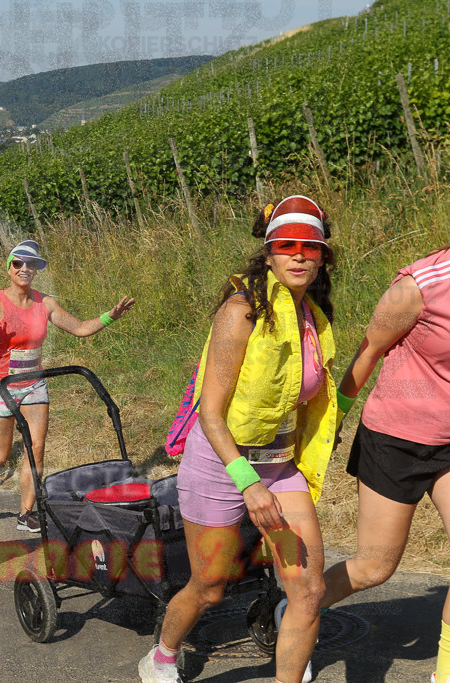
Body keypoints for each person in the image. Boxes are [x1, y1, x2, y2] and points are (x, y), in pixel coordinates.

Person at [138, 196, 338, 683]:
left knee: (308, 591)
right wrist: (248, 483)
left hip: (281, 468)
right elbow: (210, 413)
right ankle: (163, 654)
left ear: (321, 257)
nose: (298, 255)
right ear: (267, 253)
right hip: (222, 467)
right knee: (209, 586)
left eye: (309, 247)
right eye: (286, 246)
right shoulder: (240, 311)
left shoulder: (313, 316)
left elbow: (317, 398)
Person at [318, 245, 450, 683]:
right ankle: (297, 608)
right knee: (374, 567)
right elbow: (368, 353)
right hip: (397, 438)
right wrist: (331, 421)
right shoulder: (417, 287)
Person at [0, 240, 135, 532]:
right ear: (9, 268)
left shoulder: (45, 303)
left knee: (36, 449)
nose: (24, 269)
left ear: (37, 269)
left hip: (33, 382)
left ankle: (26, 513)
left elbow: (80, 329)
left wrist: (109, 316)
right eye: (18, 263)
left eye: (31, 264)